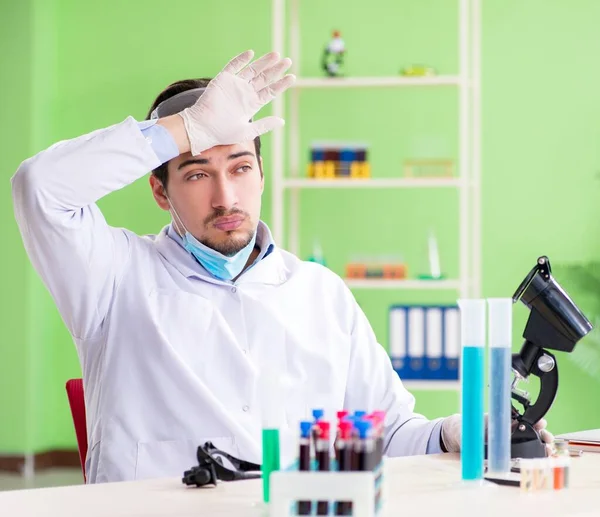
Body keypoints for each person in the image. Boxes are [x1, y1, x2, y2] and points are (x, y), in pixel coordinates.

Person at [11, 50, 551, 484]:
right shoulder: (113, 275)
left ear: (262, 175)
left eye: (241, 167)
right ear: (160, 190)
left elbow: (385, 435)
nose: (226, 196)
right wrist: (187, 129)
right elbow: (41, 189)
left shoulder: (319, 292)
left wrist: (454, 433)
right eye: (198, 174)